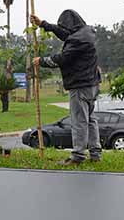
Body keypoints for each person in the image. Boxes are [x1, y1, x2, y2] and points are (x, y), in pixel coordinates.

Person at [31, 9, 102, 165]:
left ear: (70, 26)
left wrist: (41, 61)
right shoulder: (86, 33)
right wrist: (43, 24)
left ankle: (78, 156)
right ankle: (95, 154)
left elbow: (62, 59)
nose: (63, 30)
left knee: (79, 121)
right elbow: (65, 35)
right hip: (92, 84)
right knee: (90, 120)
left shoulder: (77, 41)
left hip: (80, 85)